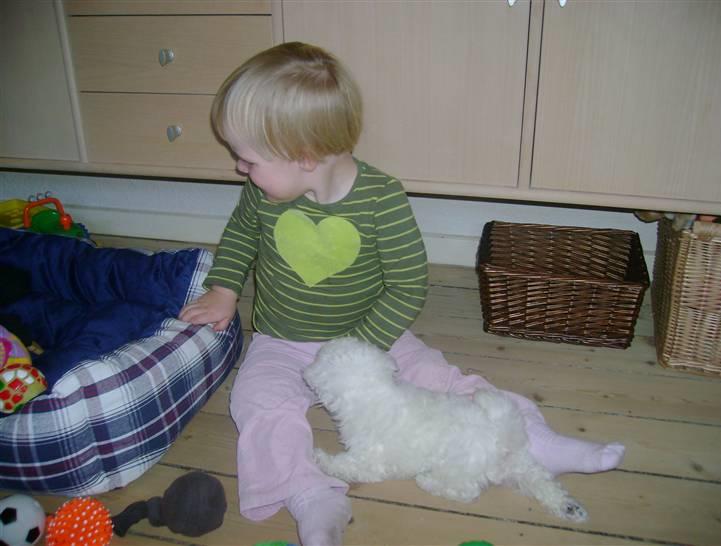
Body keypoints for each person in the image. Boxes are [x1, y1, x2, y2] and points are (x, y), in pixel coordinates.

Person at [179, 42, 625, 546]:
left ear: (303, 157)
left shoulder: (381, 199)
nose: (240, 169)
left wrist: (364, 348)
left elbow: (408, 284)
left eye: (247, 159)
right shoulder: (261, 193)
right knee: (257, 402)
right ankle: (312, 496)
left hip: (375, 337)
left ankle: (534, 440)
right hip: (284, 339)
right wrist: (224, 288)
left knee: (439, 376)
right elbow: (240, 235)